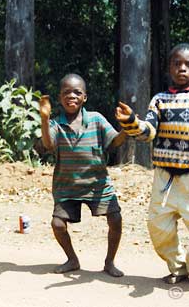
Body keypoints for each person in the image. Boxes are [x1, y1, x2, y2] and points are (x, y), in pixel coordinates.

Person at [115, 43, 189, 286]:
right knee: (158, 228)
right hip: (164, 178)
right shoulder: (159, 100)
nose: (182, 68)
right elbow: (148, 132)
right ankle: (179, 267)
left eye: (188, 64)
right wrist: (131, 121)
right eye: (177, 63)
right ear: (169, 68)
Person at [39, 73, 127, 277]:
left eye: (77, 92)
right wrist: (44, 119)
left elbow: (115, 142)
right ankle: (72, 259)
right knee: (57, 224)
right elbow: (48, 144)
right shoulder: (55, 124)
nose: (72, 96)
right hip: (67, 185)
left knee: (115, 219)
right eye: (66, 92)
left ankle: (109, 261)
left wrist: (128, 128)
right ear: (60, 97)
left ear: (84, 97)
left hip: (98, 184)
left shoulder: (96, 119)